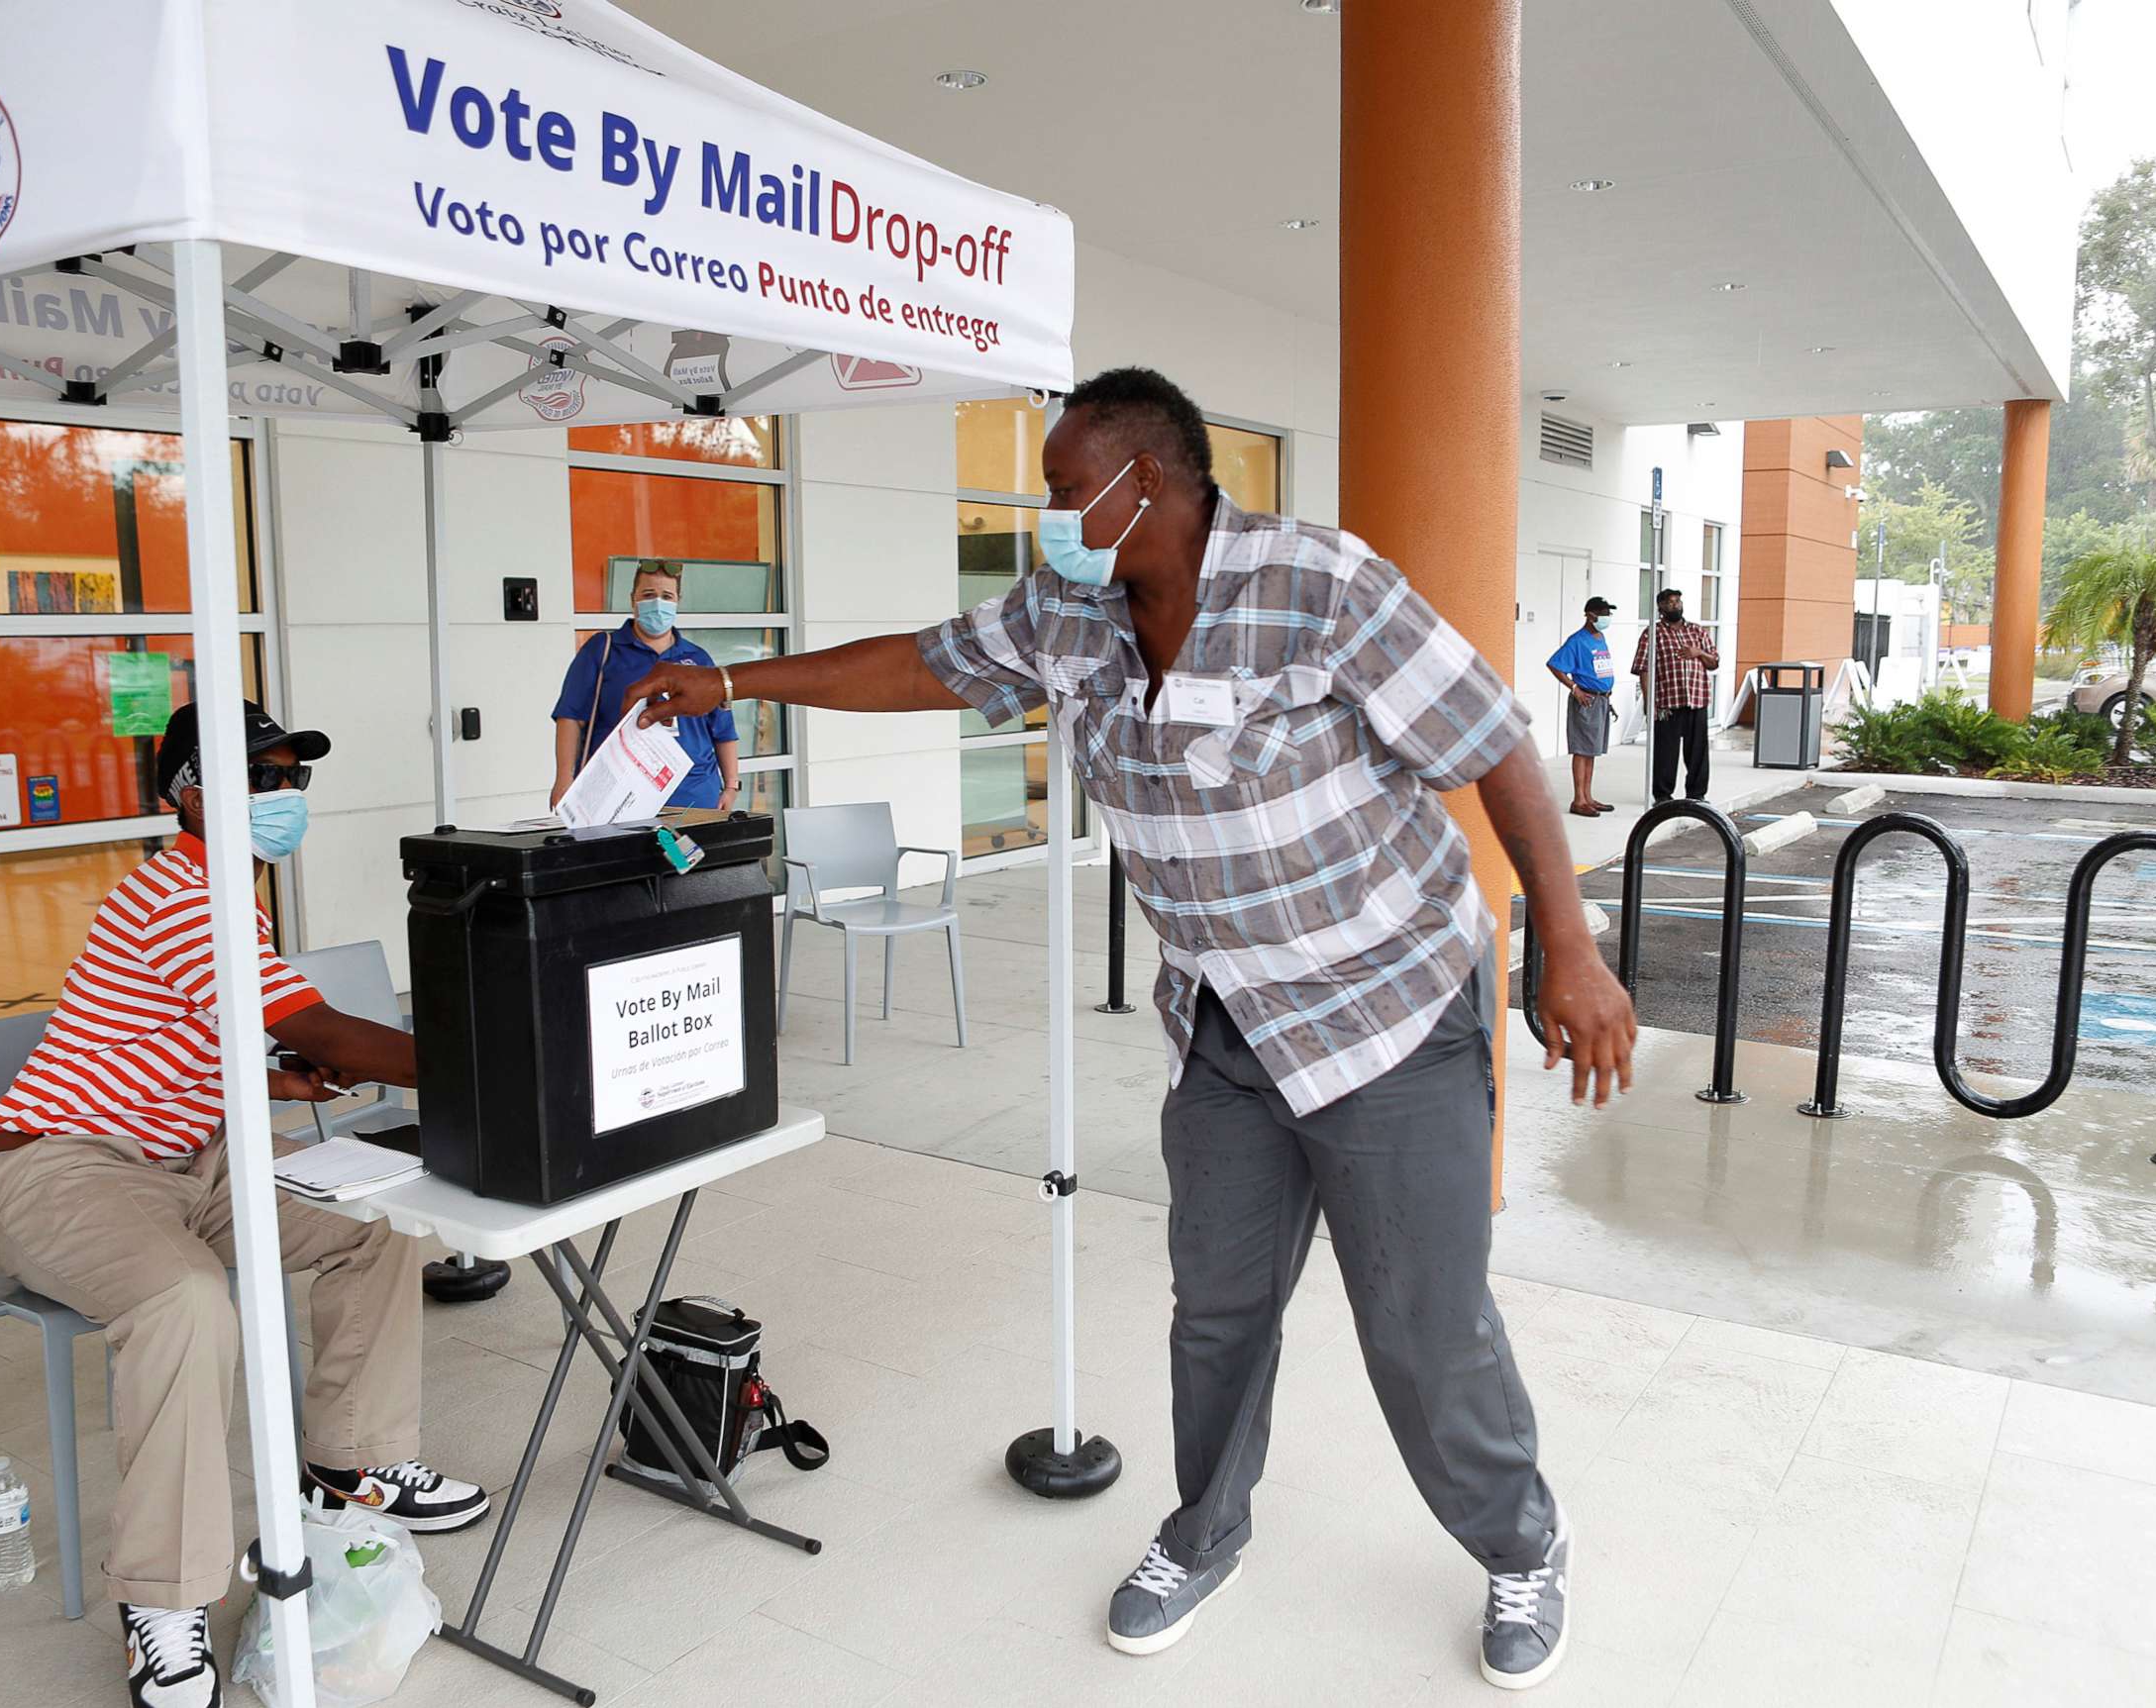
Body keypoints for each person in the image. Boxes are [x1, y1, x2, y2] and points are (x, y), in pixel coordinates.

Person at [628, 367, 1637, 1691]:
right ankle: (1204, 1527)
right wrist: (735, 682)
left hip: (1384, 1012)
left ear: (1144, 481)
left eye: (1059, 491)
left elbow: (1496, 740)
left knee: (1421, 1324)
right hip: (1223, 1025)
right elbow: (926, 664)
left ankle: (1523, 1538)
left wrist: (1570, 945)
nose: (1045, 514)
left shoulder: (1319, 586)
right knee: (1215, 1311)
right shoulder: (1072, 611)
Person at [0, 701, 487, 1708]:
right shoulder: (182, 893)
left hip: (189, 1160)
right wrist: (484, 1069)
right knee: (188, 1305)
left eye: (293, 777)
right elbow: (321, 1027)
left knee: (377, 1223)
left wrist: (275, 1078)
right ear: (191, 793)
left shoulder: (230, 899)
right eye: (264, 777)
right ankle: (163, 1599)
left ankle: (353, 1467)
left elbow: (216, 1034)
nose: (285, 796)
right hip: (60, 1169)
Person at [551, 559, 740, 812]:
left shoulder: (698, 659)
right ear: (633, 600)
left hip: (694, 797)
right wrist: (564, 779)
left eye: (666, 596)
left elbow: (723, 729)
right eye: (648, 595)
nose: (658, 603)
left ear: (677, 601)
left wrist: (730, 786)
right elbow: (570, 717)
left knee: (693, 853)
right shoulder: (603, 650)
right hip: (619, 796)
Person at [1634, 585, 1719, 802]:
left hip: (1697, 701)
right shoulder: (1653, 633)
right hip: (1667, 703)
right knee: (1665, 753)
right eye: (1670, 602)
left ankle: (1697, 795)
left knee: (1698, 752)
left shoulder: (1697, 631)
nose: (1675, 605)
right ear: (1661, 607)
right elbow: (1644, 668)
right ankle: (1663, 796)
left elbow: (1715, 663)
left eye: (1678, 602)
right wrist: (1649, 701)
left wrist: (1698, 652)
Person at [1544, 596, 1620, 817]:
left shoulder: (1600, 637)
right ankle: (1579, 799)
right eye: (1602, 613)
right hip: (1587, 700)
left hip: (1602, 700)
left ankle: (1588, 796)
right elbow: (1554, 664)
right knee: (1582, 749)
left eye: (1608, 613)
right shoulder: (1577, 641)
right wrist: (1574, 688)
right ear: (1590, 615)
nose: (1607, 617)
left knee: (1592, 751)